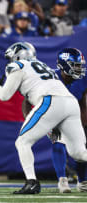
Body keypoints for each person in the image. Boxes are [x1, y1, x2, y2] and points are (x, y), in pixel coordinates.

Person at [0, 42, 87, 194]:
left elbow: (4, 95)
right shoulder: (44, 65)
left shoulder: (17, 66)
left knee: (22, 142)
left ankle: (32, 182)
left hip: (50, 100)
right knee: (79, 153)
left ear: (17, 56)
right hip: (70, 103)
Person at [45, 48, 87, 193]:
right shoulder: (50, 77)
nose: (79, 68)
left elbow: (83, 103)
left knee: (81, 146)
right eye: (75, 65)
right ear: (65, 64)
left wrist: (83, 124)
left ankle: (83, 181)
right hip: (53, 115)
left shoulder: (83, 78)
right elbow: (29, 99)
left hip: (74, 115)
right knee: (59, 141)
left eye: (79, 65)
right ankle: (62, 180)